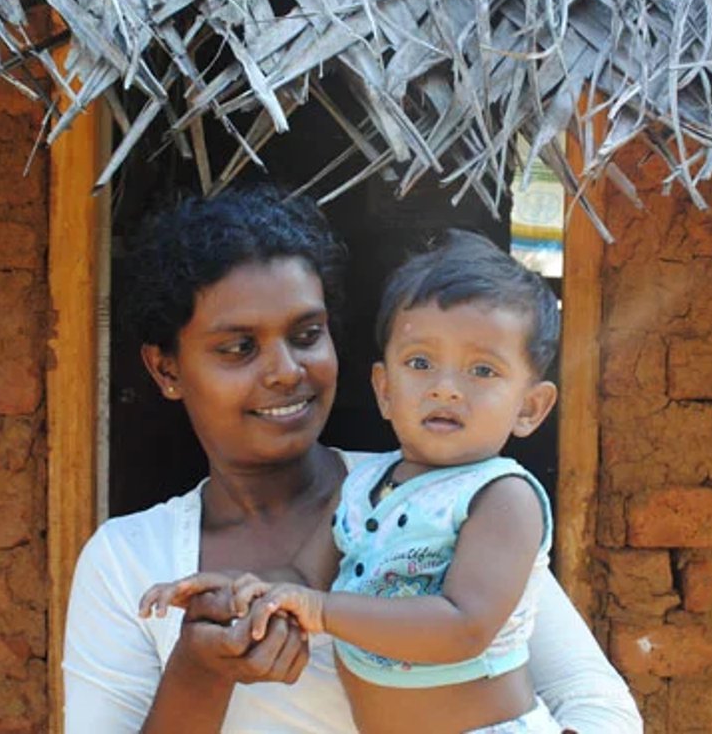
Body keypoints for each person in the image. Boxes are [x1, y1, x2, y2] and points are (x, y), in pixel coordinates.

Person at [62, 187, 641, 733]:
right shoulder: (129, 563)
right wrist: (199, 668)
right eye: (239, 347)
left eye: (307, 334)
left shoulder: (439, 496)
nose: (287, 369)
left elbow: (596, 703)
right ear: (166, 370)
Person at [140, 230, 566, 732]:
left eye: (482, 370)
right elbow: (302, 580)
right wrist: (238, 589)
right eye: (421, 363)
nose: (446, 389)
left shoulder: (501, 498)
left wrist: (321, 611)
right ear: (384, 390)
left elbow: (463, 626)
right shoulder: (364, 487)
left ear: (530, 408)